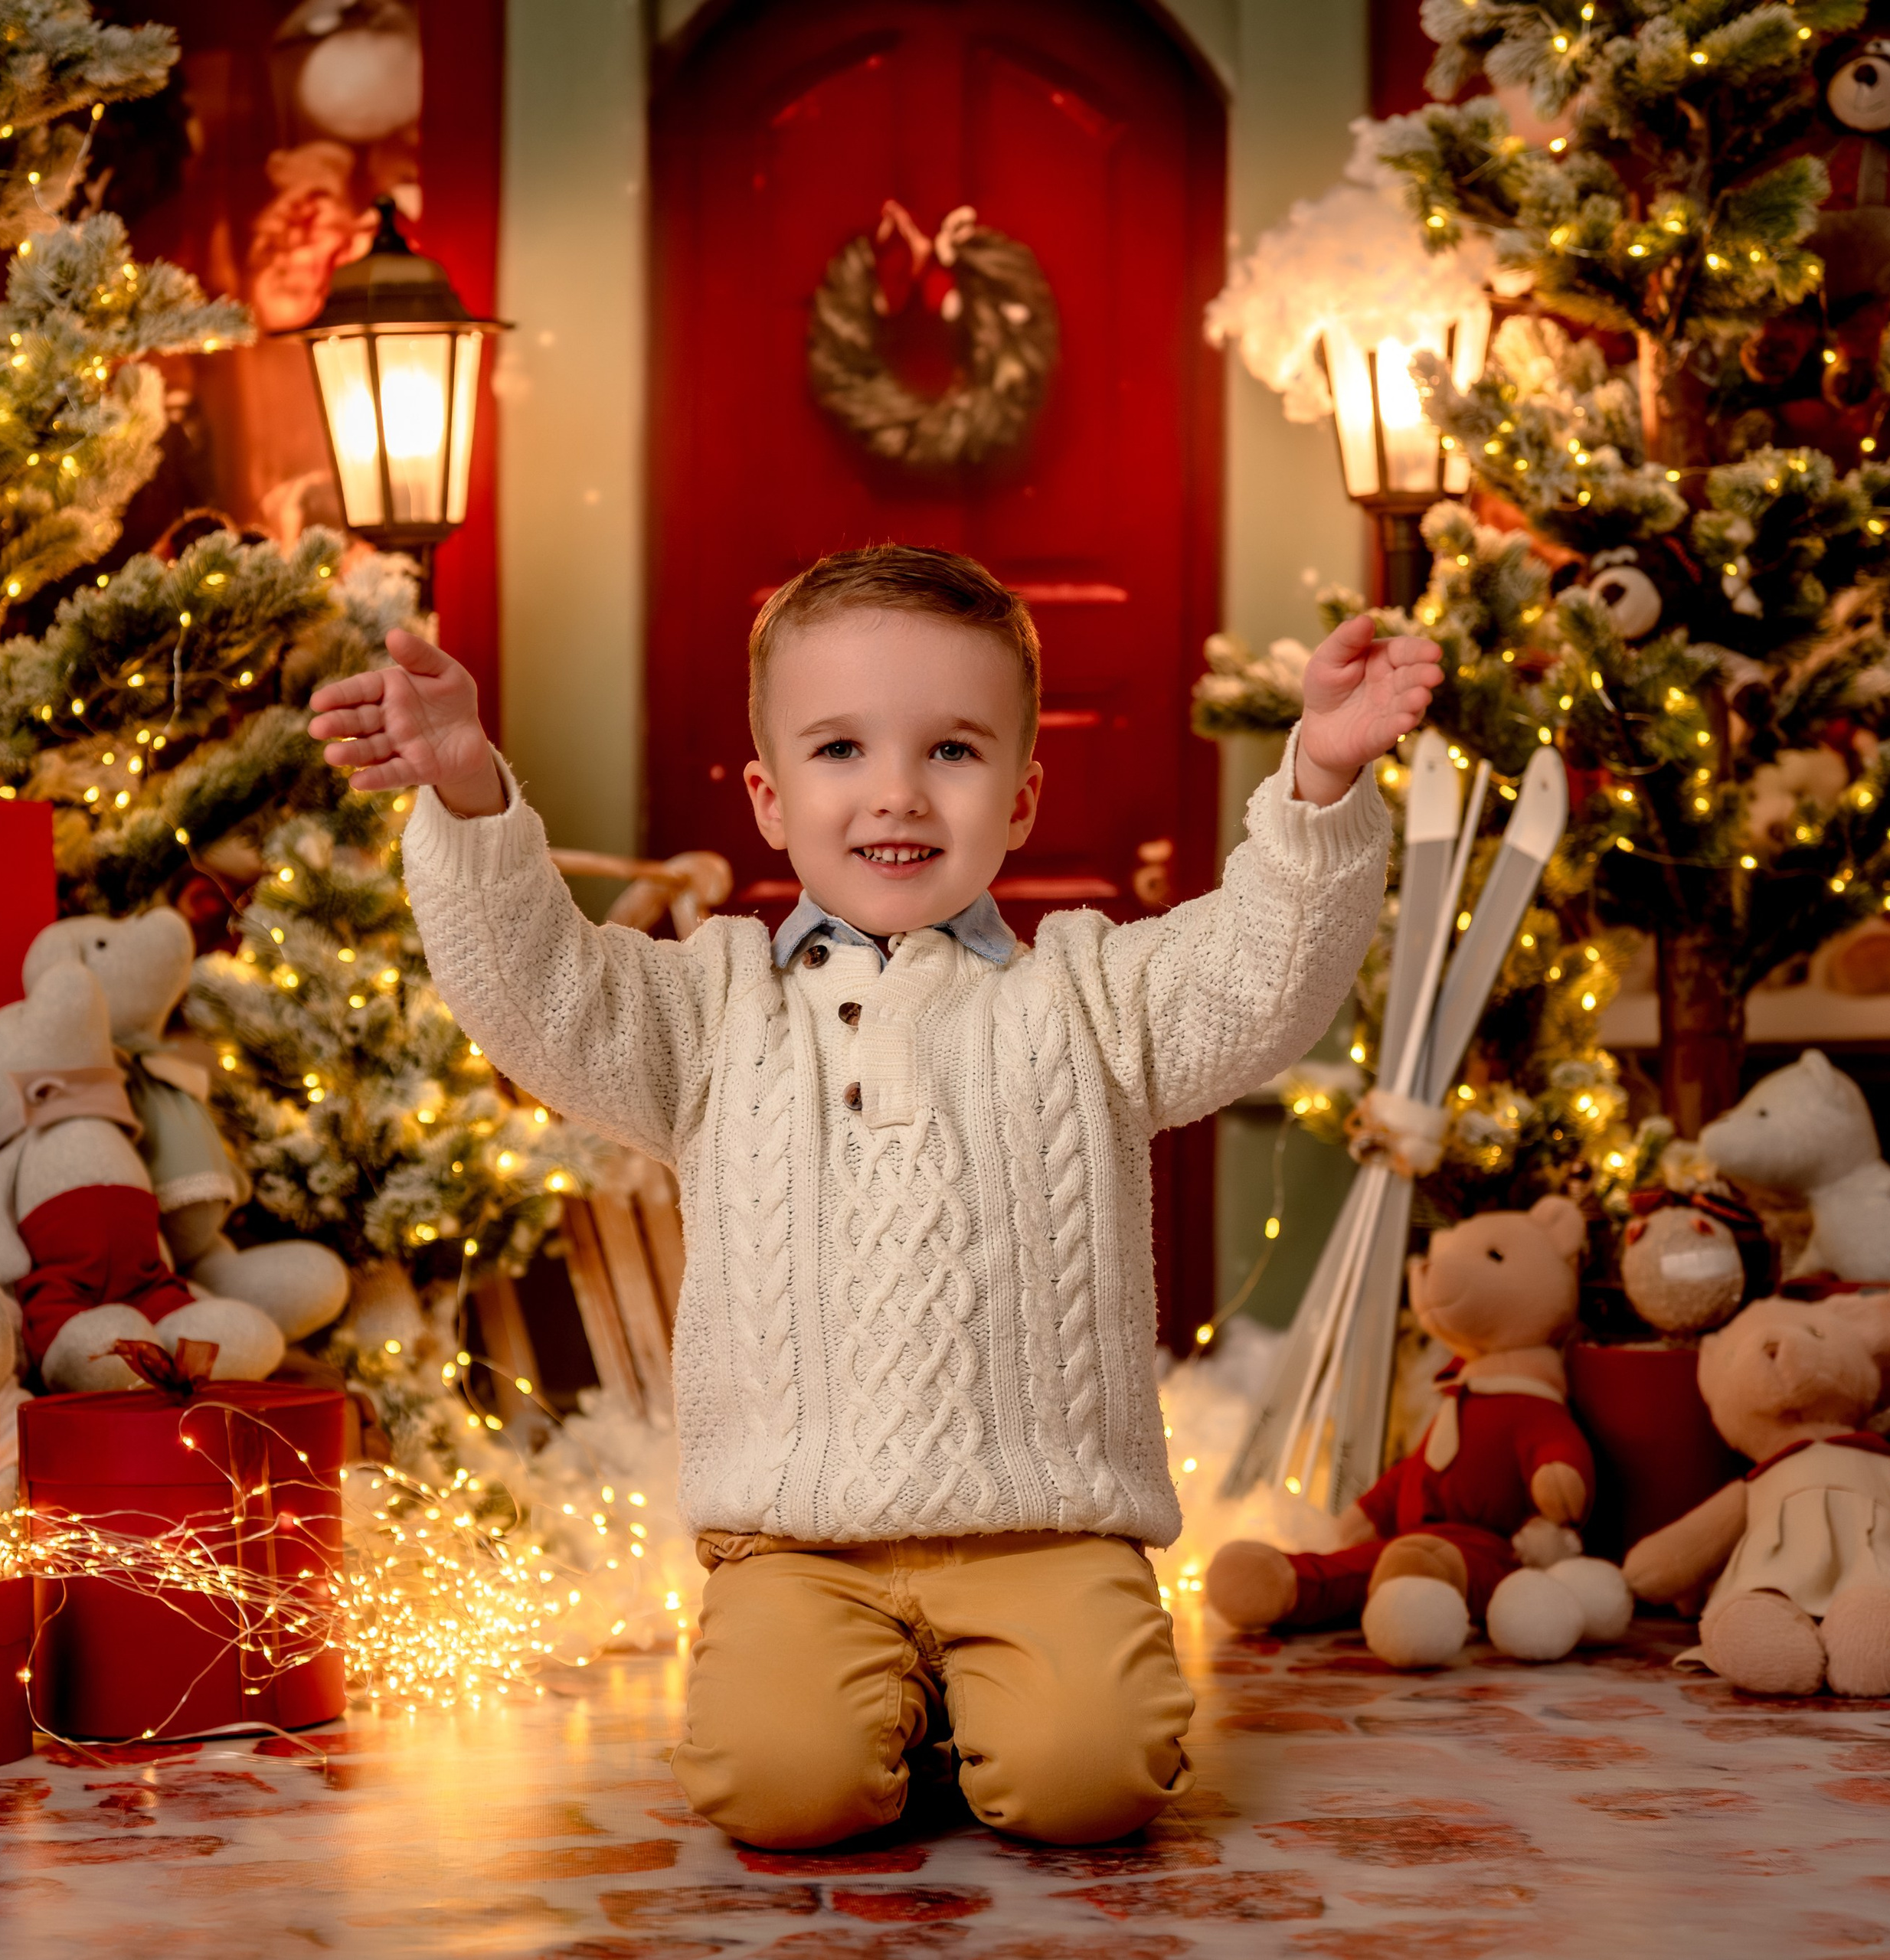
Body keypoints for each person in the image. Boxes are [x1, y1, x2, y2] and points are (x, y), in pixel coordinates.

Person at [309, 544, 1440, 1849]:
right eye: (840, 750)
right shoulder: (709, 1004)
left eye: (951, 752)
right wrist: (466, 795)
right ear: (769, 798)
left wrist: (1321, 779)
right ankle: (898, 1704)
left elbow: (1259, 978)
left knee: (1090, 1785)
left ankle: (982, 1703)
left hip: (1047, 1528)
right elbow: (539, 991)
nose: (896, 793)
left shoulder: (1090, 996)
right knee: (780, 1791)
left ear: (1021, 799)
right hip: (795, 1543)